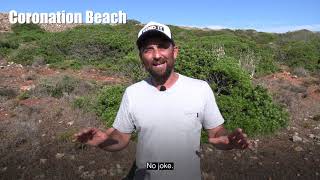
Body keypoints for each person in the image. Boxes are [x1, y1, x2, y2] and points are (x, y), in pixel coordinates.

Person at [74, 22, 249, 180]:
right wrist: (103, 142)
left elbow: (216, 131)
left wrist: (226, 140)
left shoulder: (200, 89)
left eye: (163, 46)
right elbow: (121, 137)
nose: (156, 55)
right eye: (148, 49)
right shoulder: (132, 93)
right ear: (141, 57)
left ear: (175, 51)